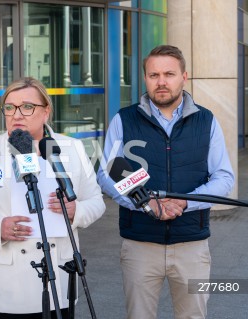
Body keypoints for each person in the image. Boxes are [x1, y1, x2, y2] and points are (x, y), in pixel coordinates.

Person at [96, 45, 234, 319]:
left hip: (192, 247)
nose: (161, 82)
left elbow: (223, 177)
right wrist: (146, 204)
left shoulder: (205, 120)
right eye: (153, 74)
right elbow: (108, 173)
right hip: (140, 246)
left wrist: (185, 201)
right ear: (145, 78)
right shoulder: (124, 120)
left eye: (169, 74)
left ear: (184, 76)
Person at [0, 77, 106, 318]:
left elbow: (96, 202)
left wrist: (76, 210)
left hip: (59, 279)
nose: (17, 115)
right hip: (6, 285)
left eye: (27, 107)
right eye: (9, 107)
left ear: (46, 112)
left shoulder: (71, 148)